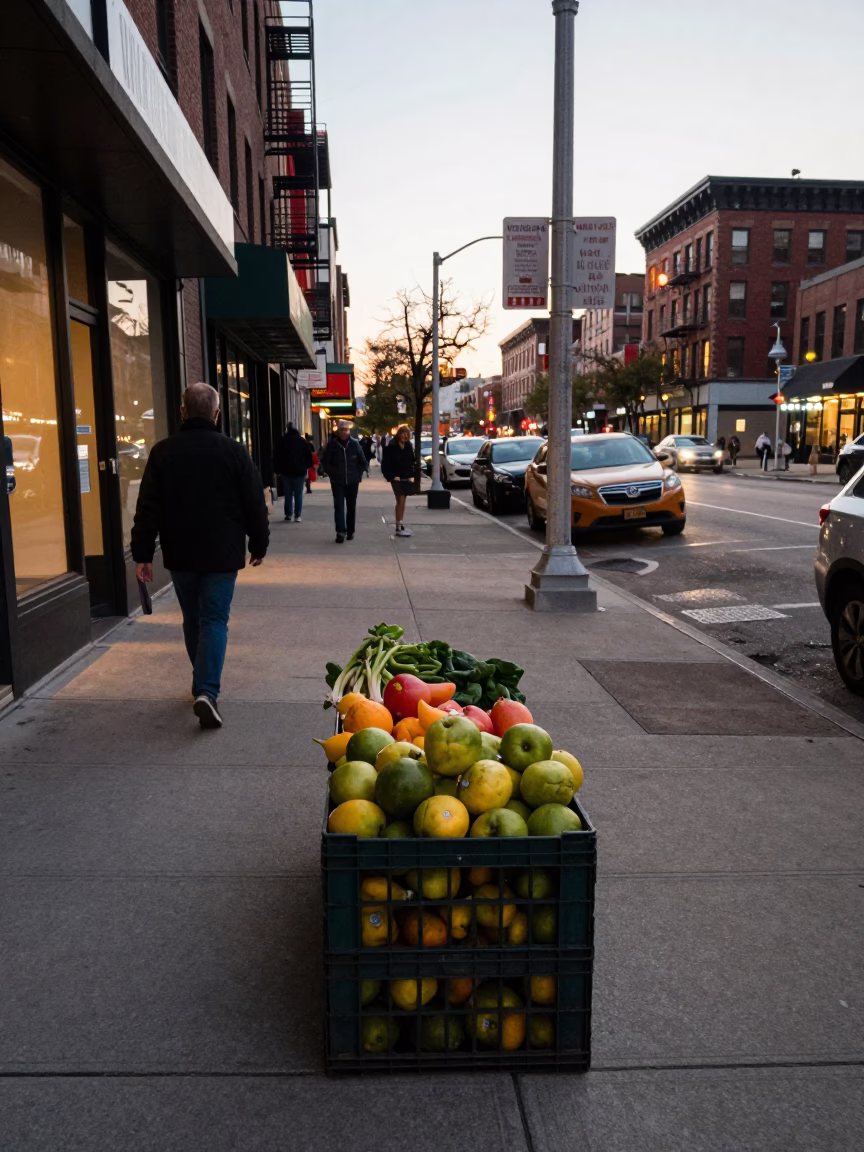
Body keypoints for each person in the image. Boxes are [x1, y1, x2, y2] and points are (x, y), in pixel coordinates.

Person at [131, 383, 269, 729]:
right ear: (217, 414)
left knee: (194, 618)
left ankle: (202, 683)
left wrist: (143, 553)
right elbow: (254, 501)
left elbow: (147, 508)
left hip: (181, 552)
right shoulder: (233, 452)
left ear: (182, 412)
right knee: (214, 619)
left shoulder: (163, 453)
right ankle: (207, 689)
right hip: (222, 552)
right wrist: (259, 542)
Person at [320, 420, 369, 543]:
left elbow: (363, 462)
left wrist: (358, 475)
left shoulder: (355, 444)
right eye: (341, 430)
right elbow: (325, 463)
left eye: (346, 430)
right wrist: (333, 473)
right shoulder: (332, 445)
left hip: (353, 481)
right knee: (339, 507)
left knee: (351, 507)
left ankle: (350, 530)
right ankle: (340, 532)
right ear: (338, 431)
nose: (344, 432)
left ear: (349, 431)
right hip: (338, 482)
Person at [273, 422, 313, 522]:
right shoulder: (302, 441)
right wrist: (307, 467)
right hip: (300, 472)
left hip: (286, 472)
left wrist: (277, 470)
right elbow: (308, 456)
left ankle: (288, 514)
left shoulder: (283, 441)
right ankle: (298, 515)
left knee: (288, 494)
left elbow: (276, 456)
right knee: (299, 494)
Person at [381, 424, 415, 538]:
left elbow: (411, 461)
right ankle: (398, 526)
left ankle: (400, 523)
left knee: (403, 500)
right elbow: (386, 463)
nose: (404, 435)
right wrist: (390, 476)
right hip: (395, 477)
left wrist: (411, 475)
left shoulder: (409, 446)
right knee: (400, 499)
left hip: (406, 477)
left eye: (406, 433)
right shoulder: (391, 447)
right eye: (402, 433)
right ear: (398, 434)